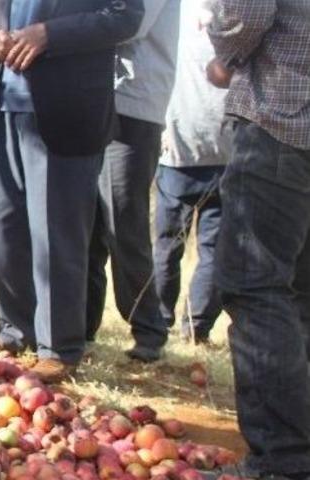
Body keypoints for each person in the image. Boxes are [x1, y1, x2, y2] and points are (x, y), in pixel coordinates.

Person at [0, 0, 144, 382]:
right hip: (3, 107)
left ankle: (59, 348)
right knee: (4, 232)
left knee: (57, 236)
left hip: (68, 110)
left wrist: (49, 35)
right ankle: (14, 331)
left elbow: (126, 16)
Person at [208, 0, 310, 477]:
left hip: (282, 117)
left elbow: (245, 11)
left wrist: (226, 53)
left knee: (256, 285)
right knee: (299, 294)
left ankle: (283, 462)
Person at [85, 0, 179, 361]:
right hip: (99, 101)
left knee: (123, 222)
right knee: (88, 224)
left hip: (133, 107)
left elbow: (128, 23)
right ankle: (81, 324)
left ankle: (149, 330)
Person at [153, 0, 229, 345]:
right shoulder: (236, 19)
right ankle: (180, 324)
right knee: (192, 247)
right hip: (198, 147)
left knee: (179, 245)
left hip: (198, 147)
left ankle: (177, 322)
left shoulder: (176, 12)